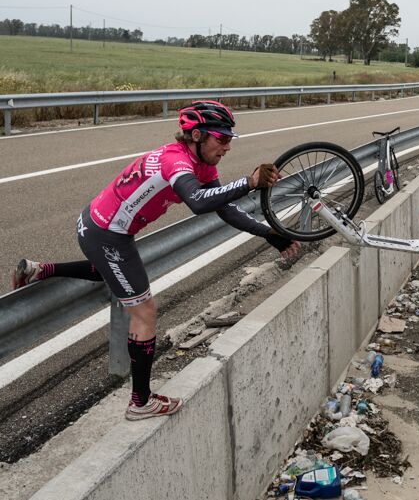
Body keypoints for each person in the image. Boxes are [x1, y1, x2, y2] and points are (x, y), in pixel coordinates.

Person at [11, 100, 301, 420]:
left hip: (99, 225)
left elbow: (225, 209)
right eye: (222, 139)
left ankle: (40, 270)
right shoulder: (176, 162)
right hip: (106, 234)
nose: (228, 146)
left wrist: (269, 234)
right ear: (197, 136)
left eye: (231, 139)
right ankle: (140, 401)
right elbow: (198, 202)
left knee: (108, 272)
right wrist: (247, 182)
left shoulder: (202, 163)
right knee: (145, 310)